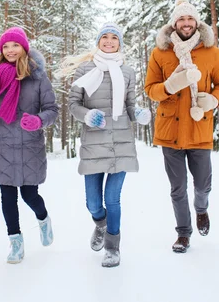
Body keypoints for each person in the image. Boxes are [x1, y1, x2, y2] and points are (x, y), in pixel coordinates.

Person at [144, 0, 219, 253]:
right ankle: (183, 234)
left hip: (199, 127)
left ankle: (202, 209)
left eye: (190, 18)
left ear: (197, 22)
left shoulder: (210, 51)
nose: (186, 23)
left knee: (203, 184)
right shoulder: (160, 53)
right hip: (169, 130)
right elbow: (150, 89)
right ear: (174, 23)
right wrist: (169, 87)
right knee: (178, 188)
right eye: (181, 19)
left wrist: (213, 100)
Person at [0, 27, 58, 264]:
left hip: (30, 145)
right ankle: (16, 243)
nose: (10, 50)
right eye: (5, 46)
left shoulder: (37, 77)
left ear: (24, 48)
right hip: (3, 145)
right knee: (7, 197)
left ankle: (43, 218)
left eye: (14, 45)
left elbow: (51, 109)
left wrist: (38, 120)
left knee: (30, 195)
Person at [63, 22, 151, 268]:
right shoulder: (85, 69)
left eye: (114, 38)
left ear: (120, 43)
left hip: (121, 143)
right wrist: (87, 115)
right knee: (93, 202)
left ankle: (113, 248)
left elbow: (131, 105)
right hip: (93, 142)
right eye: (105, 37)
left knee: (112, 198)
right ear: (98, 41)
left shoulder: (128, 72)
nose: (109, 41)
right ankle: (100, 224)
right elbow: (73, 104)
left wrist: (140, 115)